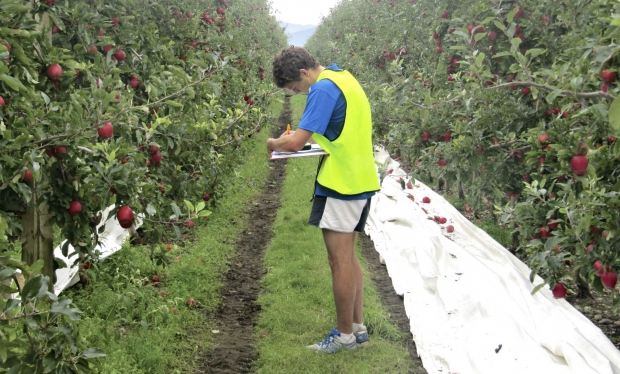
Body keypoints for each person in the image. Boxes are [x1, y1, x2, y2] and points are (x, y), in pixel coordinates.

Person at [267, 46, 380, 353]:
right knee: (349, 257)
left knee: (338, 260)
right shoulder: (344, 78)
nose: (299, 93)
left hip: (340, 183)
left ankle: (343, 337)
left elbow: (296, 142)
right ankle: (357, 329)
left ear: (304, 73)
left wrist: (273, 141)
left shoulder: (323, 88)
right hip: (361, 179)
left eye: (296, 88)